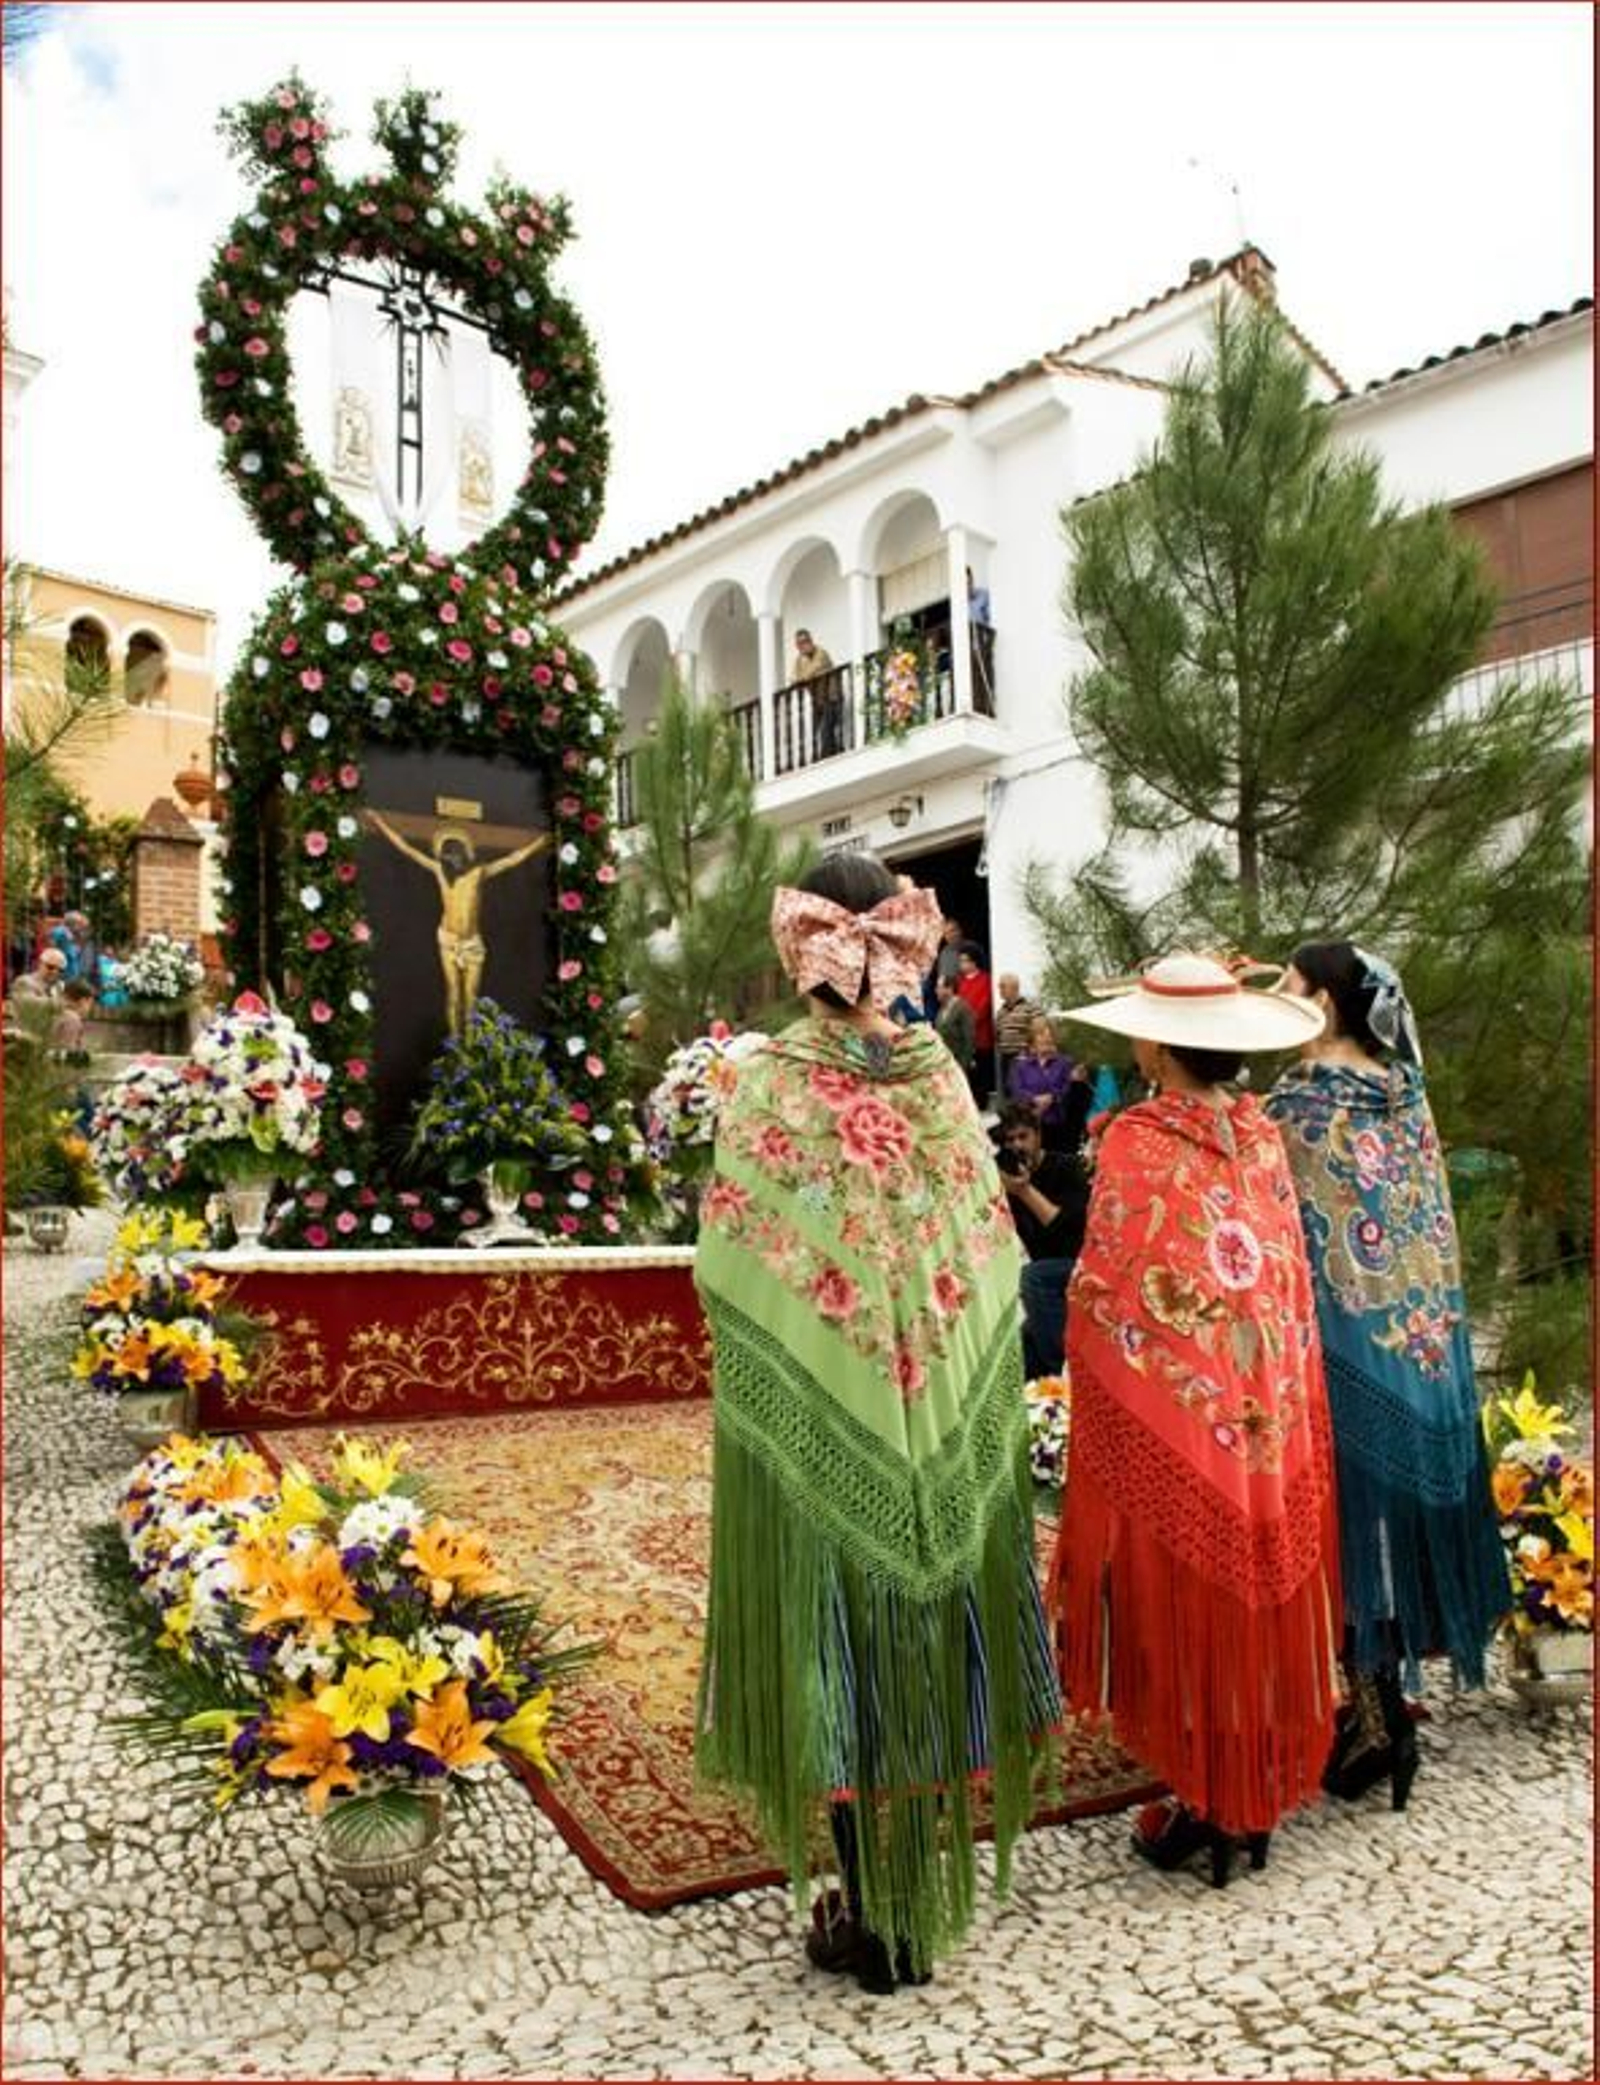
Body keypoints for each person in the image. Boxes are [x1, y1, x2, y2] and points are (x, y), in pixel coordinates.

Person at [694, 852, 1059, 1994]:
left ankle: (870, 1910)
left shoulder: (766, 1083)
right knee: (924, 1626)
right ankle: (914, 1899)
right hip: (936, 1408)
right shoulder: (940, 1076)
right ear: (897, 946)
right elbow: (986, 1242)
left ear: (794, 946)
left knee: (834, 1631)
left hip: (820, 1411)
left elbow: (731, 1266)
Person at [1046, 952, 1341, 1885]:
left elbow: (1110, 1283)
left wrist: (1094, 1357)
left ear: (1157, 1044)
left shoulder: (1140, 1136)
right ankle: (1247, 1793)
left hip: (1185, 1406)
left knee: (1185, 1573)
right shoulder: (1256, 1135)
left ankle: (1208, 1795)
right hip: (1265, 1409)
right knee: (1252, 1580)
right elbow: (1278, 1277)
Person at [1267, 941, 1510, 1807]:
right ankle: (1383, 1711)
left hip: (1344, 1348)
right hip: (1424, 1342)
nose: (1277, 999)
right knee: (1384, 1536)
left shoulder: (1299, 1101)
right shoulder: (1407, 1090)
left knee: (1349, 1537)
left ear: (1325, 1002)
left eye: (1287, 986)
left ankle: (1375, 1719)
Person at [365, 812, 552, 1038]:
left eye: (455, 851)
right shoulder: (439, 872)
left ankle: (470, 1045)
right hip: (448, 939)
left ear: (464, 853)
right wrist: (380, 823)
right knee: (453, 993)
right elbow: (406, 848)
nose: (451, 856)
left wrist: (538, 844)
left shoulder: (477, 873)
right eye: (447, 851)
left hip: (471, 942)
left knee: (471, 996)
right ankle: (455, 1042)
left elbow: (511, 860)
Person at [996, 1103, 1089, 1380]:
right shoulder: (1009, 1177)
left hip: (1078, 1263)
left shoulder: (1068, 1167)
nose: (1017, 1146)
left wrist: (1024, 1191)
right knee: (1018, 1360)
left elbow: (1063, 1228)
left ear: (1038, 1136)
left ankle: (1061, 1373)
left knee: (1032, 1277)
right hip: (1045, 1278)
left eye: (1023, 1137)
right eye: (1010, 1140)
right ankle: (1045, 1394)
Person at [1007, 1013, 1091, 1155]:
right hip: (1030, 1126)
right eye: (1041, 1034)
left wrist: (1052, 1098)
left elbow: (1069, 1089)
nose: (1046, 1037)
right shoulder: (1021, 1065)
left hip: (1059, 1126)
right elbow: (1016, 1089)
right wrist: (1034, 1099)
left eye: (1049, 1034)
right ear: (1032, 1040)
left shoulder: (1065, 1063)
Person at [954, 944, 994, 1106]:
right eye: (960, 961)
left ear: (974, 962)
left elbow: (984, 1006)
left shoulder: (986, 979)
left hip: (980, 1034)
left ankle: (982, 1102)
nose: (961, 964)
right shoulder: (960, 982)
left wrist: (968, 1022)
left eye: (965, 961)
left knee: (981, 1071)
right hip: (963, 1038)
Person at [791, 629, 841, 759]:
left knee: (826, 730)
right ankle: (834, 752)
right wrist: (800, 678)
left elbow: (811, 672)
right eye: (799, 644)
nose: (803, 646)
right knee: (819, 731)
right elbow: (794, 677)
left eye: (805, 642)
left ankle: (826, 758)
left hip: (832, 698)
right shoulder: (799, 661)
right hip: (817, 702)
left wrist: (802, 677)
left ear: (811, 641)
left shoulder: (821, 653)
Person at [994, 974, 1040, 1096]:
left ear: (1014, 987)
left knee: (1023, 1092)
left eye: (1003, 986)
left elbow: (1039, 1031)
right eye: (999, 986)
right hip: (1005, 1058)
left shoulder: (1030, 1008)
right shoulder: (1000, 1011)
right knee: (1008, 1092)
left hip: (1023, 1057)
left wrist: (1029, 1053)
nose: (1000, 990)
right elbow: (998, 1035)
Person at [933, 970, 975, 1072]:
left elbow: (969, 1040)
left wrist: (963, 1066)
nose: (936, 991)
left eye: (939, 987)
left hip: (958, 1065)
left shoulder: (962, 1008)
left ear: (950, 989)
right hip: (944, 1063)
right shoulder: (941, 1009)